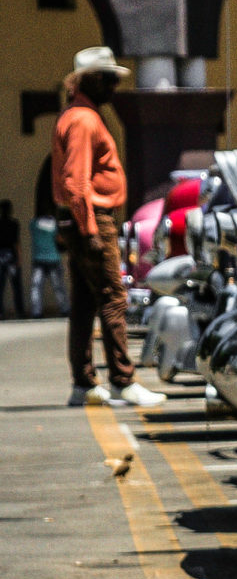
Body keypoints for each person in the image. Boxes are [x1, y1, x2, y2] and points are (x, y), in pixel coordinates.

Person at [52, 46, 162, 408]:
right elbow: (76, 181)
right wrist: (90, 231)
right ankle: (122, 380)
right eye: (110, 79)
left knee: (85, 302)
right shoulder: (84, 119)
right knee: (114, 298)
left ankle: (84, 384)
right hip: (92, 219)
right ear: (94, 80)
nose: (115, 86)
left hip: (82, 219)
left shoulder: (77, 115)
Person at [0, 200, 22, 318]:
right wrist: (19, 258)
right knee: (16, 285)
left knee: (1, 286)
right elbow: (16, 242)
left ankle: (1, 312)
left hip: (1, 256)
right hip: (11, 256)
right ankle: (20, 311)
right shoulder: (14, 224)